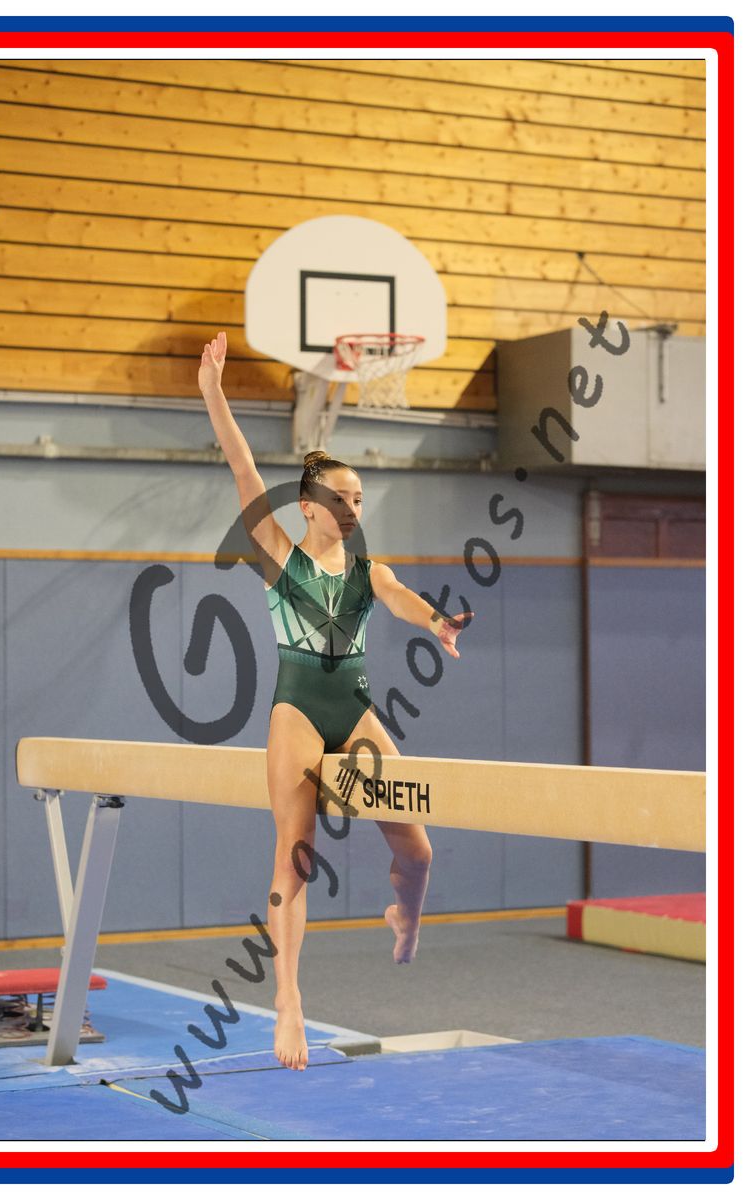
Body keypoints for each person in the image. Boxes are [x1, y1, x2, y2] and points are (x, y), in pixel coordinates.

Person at [198, 332, 473, 1071]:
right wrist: (214, 392)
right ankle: (288, 1000)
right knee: (295, 857)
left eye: (358, 499)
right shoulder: (276, 551)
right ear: (309, 506)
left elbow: (403, 597)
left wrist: (438, 623)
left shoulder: (368, 571)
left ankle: (405, 915)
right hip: (297, 707)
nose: (352, 507)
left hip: (352, 707)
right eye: (340, 498)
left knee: (417, 849)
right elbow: (242, 465)